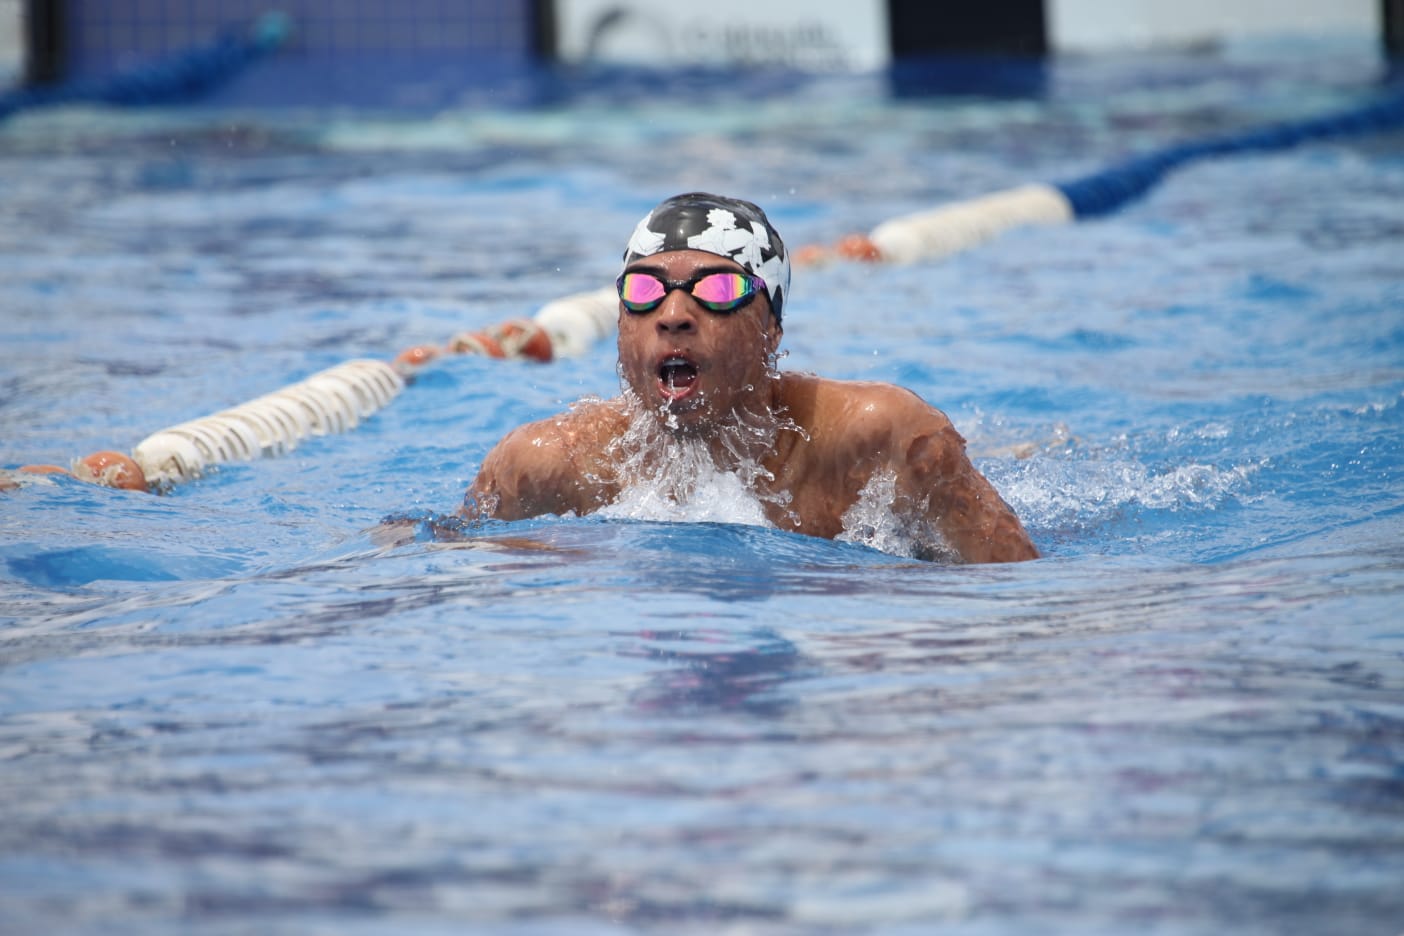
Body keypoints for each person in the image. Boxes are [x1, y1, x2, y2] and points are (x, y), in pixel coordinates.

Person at [466, 193, 1038, 564]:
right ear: (619, 324)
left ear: (772, 329)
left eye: (716, 289)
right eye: (643, 290)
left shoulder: (884, 438)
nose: (672, 313)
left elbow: (1014, 591)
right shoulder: (541, 465)